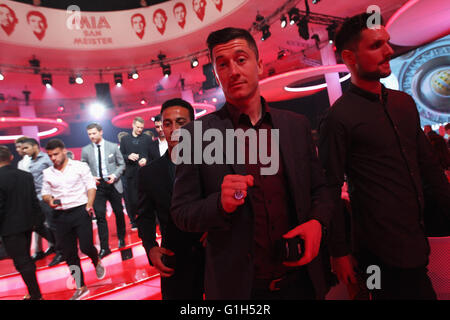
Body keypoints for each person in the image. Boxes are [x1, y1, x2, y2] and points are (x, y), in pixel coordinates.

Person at [170, 27, 334, 300]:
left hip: (301, 282)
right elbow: (181, 213)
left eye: (241, 59)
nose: (233, 71)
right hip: (238, 290)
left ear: (258, 64)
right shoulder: (194, 137)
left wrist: (318, 222)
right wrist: (218, 204)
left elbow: (320, 189)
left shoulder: (295, 126)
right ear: (217, 74)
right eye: (222, 64)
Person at [318, 13, 450, 300]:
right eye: (376, 45)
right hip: (376, 254)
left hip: (417, 241)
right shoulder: (338, 118)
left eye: (387, 43)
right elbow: (328, 189)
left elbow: (429, 168)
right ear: (350, 57)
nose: (389, 50)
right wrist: (338, 252)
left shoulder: (404, 103)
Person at [137, 98, 205, 299]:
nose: (174, 129)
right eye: (168, 124)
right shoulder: (149, 173)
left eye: (181, 123)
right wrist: (150, 248)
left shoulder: (213, 162)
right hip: (174, 260)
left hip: (214, 255)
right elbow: (145, 216)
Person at [42, 139, 105, 300]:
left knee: (86, 246)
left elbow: (91, 186)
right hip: (60, 216)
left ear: (64, 151)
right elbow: (45, 192)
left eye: (55, 154)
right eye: (50, 156)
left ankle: (96, 260)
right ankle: (80, 286)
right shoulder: (48, 172)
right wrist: (49, 200)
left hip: (80, 211)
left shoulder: (79, 166)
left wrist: (89, 205)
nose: (53, 158)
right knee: (69, 253)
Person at [0, 145, 43, 300]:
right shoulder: (25, 175)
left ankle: (35, 295)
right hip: (27, 225)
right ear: (11, 157)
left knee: (22, 262)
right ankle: (34, 293)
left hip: (9, 228)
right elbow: (34, 202)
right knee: (25, 259)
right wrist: (37, 222)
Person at [81, 123, 127, 258]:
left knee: (118, 212)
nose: (91, 136)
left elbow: (122, 164)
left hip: (113, 183)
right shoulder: (86, 150)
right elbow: (83, 167)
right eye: (89, 134)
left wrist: (114, 175)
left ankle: (121, 238)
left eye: (94, 133)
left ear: (101, 132)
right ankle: (105, 247)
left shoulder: (113, 146)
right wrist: (90, 176)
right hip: (97, 186)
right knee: (100, 216)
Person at [22, 138, 64, 267]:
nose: (24, 151)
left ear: (35, 146)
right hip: (36, 199)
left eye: (26, 148)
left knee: (53, 225)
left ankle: (61, 252)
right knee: (40, 225)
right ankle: (56, 246)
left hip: (47, 197)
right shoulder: (31, 161)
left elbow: (57, 174)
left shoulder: (46, 159)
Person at [120, 117, 154, 230]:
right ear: (133, 125)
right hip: (130, 174)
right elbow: (120, 157)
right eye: (138, 127)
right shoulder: (125, 140)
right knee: (132, 199)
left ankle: (149, 219)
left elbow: (153, 154)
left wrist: (146, 160)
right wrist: (128, 156)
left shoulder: (148, 139)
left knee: (147, 198)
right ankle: (134, 220)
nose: (140, 129)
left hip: (145, 173)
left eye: (141, 128)